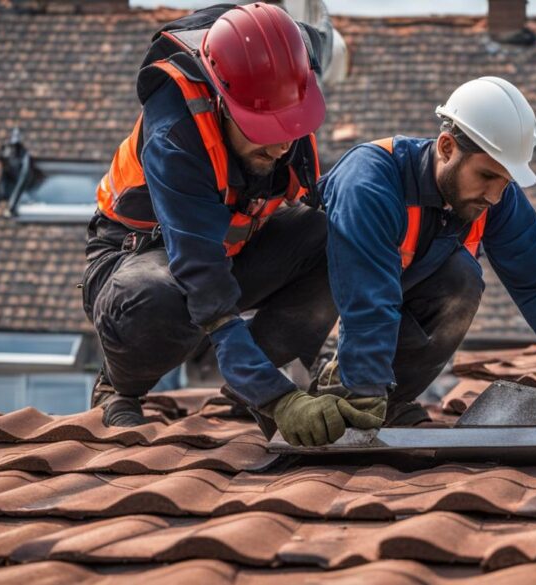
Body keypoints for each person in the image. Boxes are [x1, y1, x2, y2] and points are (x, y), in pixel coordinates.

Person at [312, 76, 536, 444]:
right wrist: (364, 385)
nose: (496, 196)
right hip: (304, 330)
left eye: (505, 181)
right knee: (383, 294)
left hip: (364, 331)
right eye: (486, 175)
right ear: (447, 146)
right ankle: (335, 391)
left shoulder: (493, 197)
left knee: (461, 279)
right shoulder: (371, 182)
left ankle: (384, 401)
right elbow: (366, 294)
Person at [84, 3, 348, 443]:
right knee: (158, 296)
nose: (282, 145)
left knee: (335, 237)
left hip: (232, 251)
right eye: (263, 130)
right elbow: (201, 275)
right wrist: (276, 400)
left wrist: (346, 363)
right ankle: (118, 385)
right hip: (137, 261)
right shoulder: (174, 134)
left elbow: (320, 216)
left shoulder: (285, 90)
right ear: (223, 102)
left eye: (290, 127)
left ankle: (247, 386)